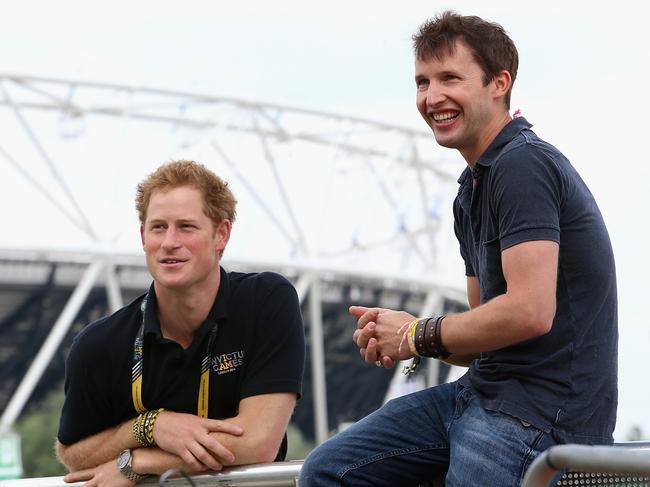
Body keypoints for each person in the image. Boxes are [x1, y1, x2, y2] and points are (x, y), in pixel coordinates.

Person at [299, 11, 617, 487]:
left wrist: (415, 335)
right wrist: (398, 332)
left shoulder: (522, 165)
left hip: (540, 415)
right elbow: (481, 335)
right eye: (422, 82)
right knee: (327, 470)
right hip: (480, 395)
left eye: (450, 78)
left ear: (499, 83)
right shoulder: (471, 189)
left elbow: (530, 311)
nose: (432, 97)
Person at [56, 160, 305, 486]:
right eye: (158, 227)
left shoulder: (266, 301)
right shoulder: (99, 344)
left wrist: (140, 460)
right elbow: (73, 454)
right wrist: (148, 426)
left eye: (186, 227)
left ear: (221, 234)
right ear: (142, 236)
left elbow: (257, 443)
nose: (170, 242)